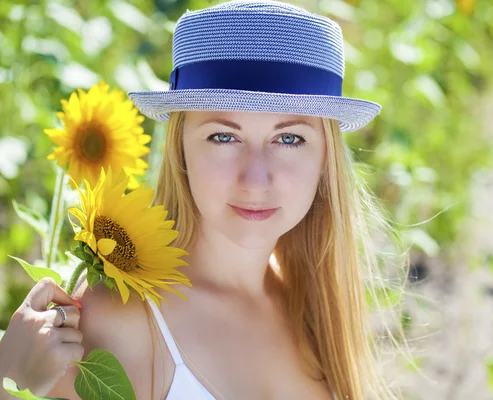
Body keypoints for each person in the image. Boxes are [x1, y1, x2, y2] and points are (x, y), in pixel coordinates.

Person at [2, 0, 408, 399]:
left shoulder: (318, 309)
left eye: (289, 138)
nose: (255, 179)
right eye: (223, 136)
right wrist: (6, 377)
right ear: (180, 149)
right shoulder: (125, 320)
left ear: (325, 158)